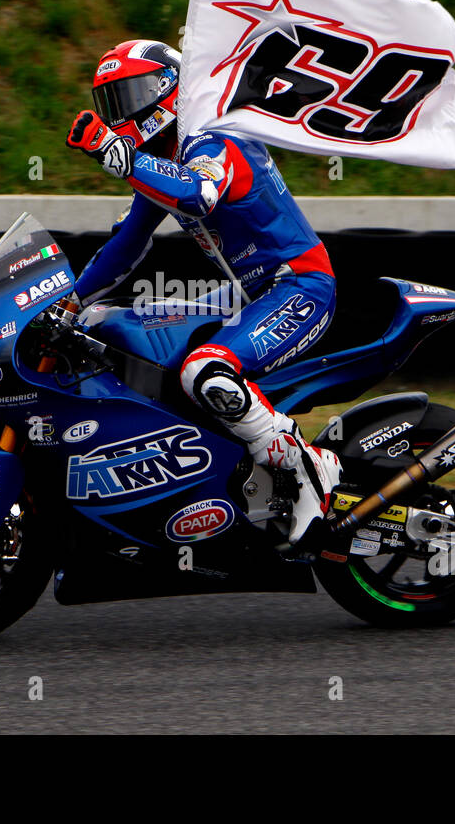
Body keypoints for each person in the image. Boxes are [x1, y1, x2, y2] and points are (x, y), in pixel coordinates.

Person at [65, 39, 342, 547]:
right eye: (112, 102)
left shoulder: (212, 139)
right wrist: (68, 304)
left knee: (204, 371)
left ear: (169, 88)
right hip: (251, 293)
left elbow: (198, 191)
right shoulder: (165, 161)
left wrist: (116, 153)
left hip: (300, 286)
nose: (122, 113)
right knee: (114, 324)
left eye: (130, 96)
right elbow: (125, 247)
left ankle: (305, 468)